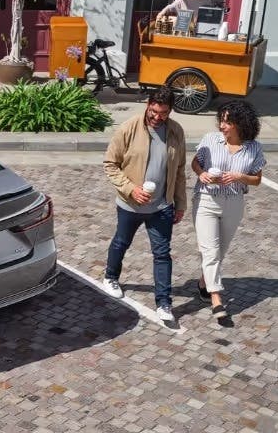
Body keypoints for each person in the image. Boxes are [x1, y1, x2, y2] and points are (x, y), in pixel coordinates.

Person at [101, 86, 188, 327]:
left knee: (162, 254)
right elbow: (110, 164)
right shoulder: (129, 127)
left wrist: (180, 203)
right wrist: (131, 189)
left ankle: (164, 303)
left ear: (170, 111)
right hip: (130, 204)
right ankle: (111, 277)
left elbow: (179, 170)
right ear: (148, 104)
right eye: (154, 111)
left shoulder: (176, 131)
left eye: (164, 113)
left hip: (161, 206)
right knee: (121, 242)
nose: (158, 117)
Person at [191, 100, 266, 326]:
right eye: (221, 120)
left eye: (227, 122)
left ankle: (204, 284)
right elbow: (196, 163)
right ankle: (217, 300)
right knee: (210, 251)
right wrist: (202, 174)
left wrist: (239, 176)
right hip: (206, 199)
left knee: (220, 251)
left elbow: (257, 180)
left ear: (240, 124)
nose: (222, 125)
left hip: (234, 202)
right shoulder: (210, 140)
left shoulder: (254, 148)